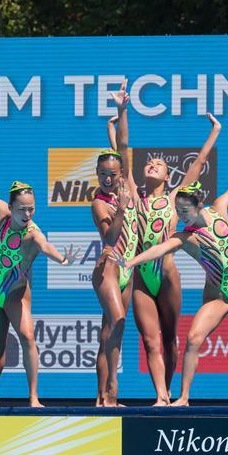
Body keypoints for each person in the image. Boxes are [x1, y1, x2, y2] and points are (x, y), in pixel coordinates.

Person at [112, 130, 228, 407]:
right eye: (177, 212)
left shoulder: (220, 207)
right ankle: (184, 397)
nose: (180, 216)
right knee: (192, 338)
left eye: (184, 211)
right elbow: (156, 249)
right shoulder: (184, 237)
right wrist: (130, 262)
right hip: (219, 294)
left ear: (197, 205)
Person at [105, 112, 220, 405]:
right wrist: (119, 117)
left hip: (167, 275)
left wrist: (215, 130)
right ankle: (159, 396)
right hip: (143, 277)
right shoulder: (132, 194)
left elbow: (198, 163)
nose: (153, 165)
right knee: (149, 341)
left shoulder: (174, 199)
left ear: (168, 176)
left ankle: (169, 391)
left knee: (169, 339)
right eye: (150, 163)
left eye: (160, 165)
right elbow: (122, 152)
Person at [0, 144, 80, 407]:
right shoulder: (3, 215)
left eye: (32, 209)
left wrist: (63, 258)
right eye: (22, 209)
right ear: (11, 206)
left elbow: (46, 246)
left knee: (27, 338)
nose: (27, 215)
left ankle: (34, 398)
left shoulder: (32, 233)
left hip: (16, 294)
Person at [90, 81, 140, 407]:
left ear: (120, 174)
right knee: (118, 322)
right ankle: (111, 393)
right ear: (97, 174)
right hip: (108, 267)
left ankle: (100, 397)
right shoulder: (99, 203)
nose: (108, 179)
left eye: (113, 175)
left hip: (128, 267)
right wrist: (121, 211)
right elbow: (110, 236)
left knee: (109, 331)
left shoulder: (129, 184)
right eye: (103, 175)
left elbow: (123, 144)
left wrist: (122, 109)